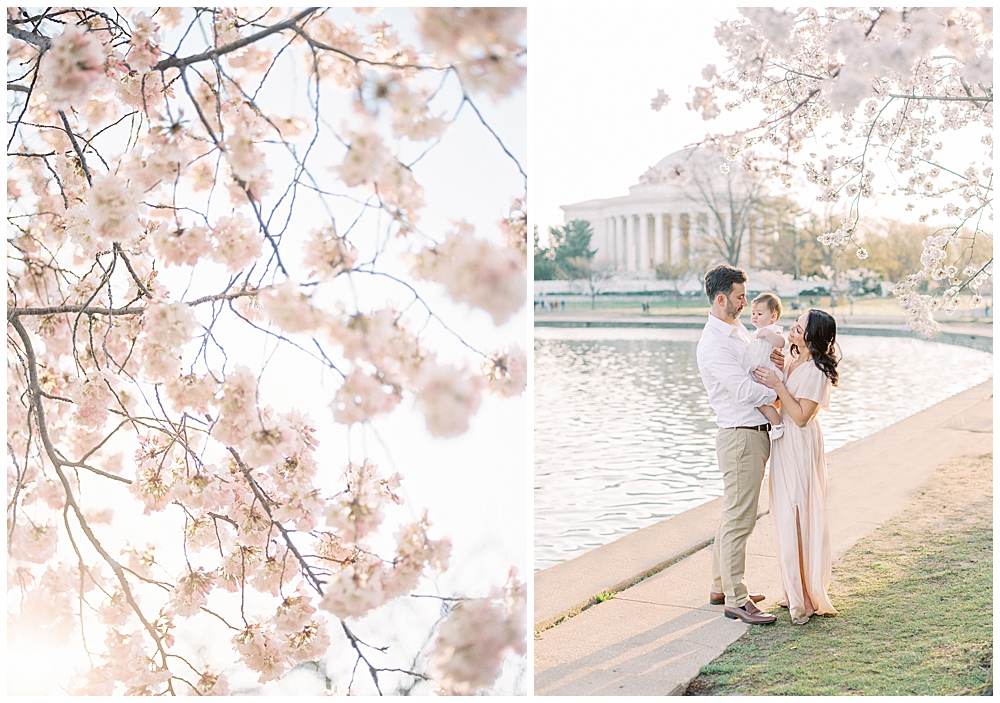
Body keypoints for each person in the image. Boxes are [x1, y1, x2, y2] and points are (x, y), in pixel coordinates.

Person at [696, 264, 782, 625]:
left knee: (733, 513)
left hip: (749, 433)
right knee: (740, 518)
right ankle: (737, 598)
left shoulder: (737, 330)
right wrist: (781, 394)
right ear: (720, 299)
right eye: (740, 297)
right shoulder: (714, 343)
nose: (746, 302)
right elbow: (744, 390)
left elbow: (752, 369)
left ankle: (721, 586)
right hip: (740, 435)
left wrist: (773, 362)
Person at [753, 309, 840, 626]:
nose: (792, 327)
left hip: (800, 447)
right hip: (784, 444)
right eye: (795, 322)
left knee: (799, 514)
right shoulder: (792, 360)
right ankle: (795, 591)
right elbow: (780, 404)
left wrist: (777, 383)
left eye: (799, 326)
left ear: (812, 336)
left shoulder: (816, 370)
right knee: (786, 515)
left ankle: (804, 597)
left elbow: (802, 416)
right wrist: (778, 375)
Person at [747, 292, 785, 440]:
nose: (755, 316)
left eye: (760, 313)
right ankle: (772, 422)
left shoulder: (772, 330)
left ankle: (776, 423)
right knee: (759, 401)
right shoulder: (756, 332)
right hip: (761, 374)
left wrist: (767, 334)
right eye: (753, 313)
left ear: (773, 317)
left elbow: (781, 342)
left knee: (761, 402)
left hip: (769, 373)